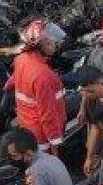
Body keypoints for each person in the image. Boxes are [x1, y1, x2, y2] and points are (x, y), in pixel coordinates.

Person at [10, 19, 68, 155]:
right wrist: (55, 142)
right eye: (50, 42)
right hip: (42, 136)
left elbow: (13, 81)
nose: (55, 45)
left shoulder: (21, 59)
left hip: (26, 123)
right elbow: (48, 114)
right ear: (39, 45)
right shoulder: (43, 76)